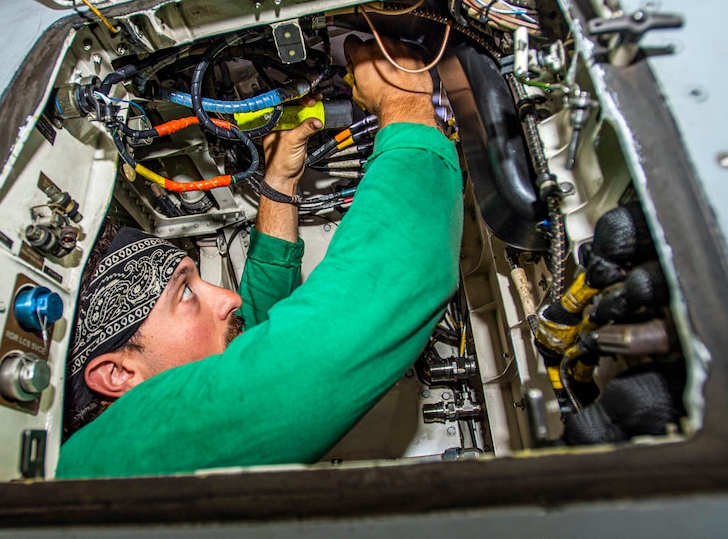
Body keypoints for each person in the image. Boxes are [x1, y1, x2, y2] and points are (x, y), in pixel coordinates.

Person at [56, 35, 464, 478]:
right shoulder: (113, 457)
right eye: (185, 295)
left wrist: (279, 181)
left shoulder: (142, 450)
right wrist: (402, 102)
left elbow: (258, 323)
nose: (225, 298)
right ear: (117, 374)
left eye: (195, 279)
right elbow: (317, 359)